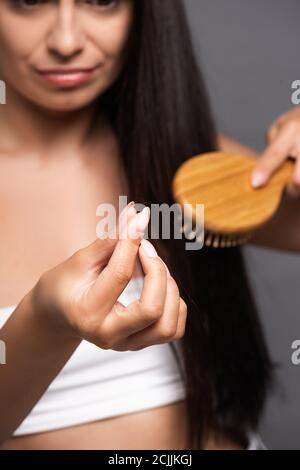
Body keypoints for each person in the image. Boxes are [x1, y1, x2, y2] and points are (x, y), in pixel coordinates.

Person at [0, 0, 300, 450]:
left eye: (102, 1)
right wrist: (45, 319)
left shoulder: (184, 159)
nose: (66, 41)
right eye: (28, 1)